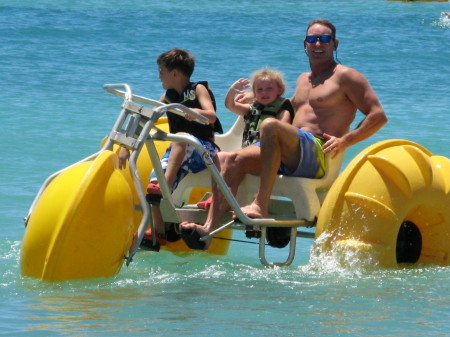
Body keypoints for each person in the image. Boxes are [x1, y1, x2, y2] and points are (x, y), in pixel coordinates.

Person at [180, 18, 388, 249]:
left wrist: (346, 140)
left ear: (335, 44)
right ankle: (207, 230)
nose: (318, 43)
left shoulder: (346, 76)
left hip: (317, 152)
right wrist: (257, 97)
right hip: (288, 150)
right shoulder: (303, 79)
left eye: (324, 39)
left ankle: (260, 204)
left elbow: (378, 115)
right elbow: (289, 106)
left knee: (269, 125)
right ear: (305, 44)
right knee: (226, 158)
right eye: (312, 39)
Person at [119, 48, 222, 249]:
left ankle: (164, 186)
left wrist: (192, 111)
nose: (159, 77)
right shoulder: (167, 96)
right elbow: (147, 118)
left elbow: (211, 115)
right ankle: (159, 230)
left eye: (161, 72)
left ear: (174, 73)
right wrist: (126, 146)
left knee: (181, 138)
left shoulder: (198, 89)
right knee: (153, 182)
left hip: (204, 150)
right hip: (179, 151)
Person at [197, 68, 294, 209]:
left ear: (279, 90)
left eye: (269, 89)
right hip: (250, 156)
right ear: (254, 93)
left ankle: (224, 200)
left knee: (229, 159)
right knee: (219, 157)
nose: (264, 93)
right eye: (259, 90)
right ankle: (219, 196)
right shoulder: (252, 109)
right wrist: (232, 91)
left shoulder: (282, 110)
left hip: (269, 160)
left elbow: (282, 132)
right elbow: (231, 105)